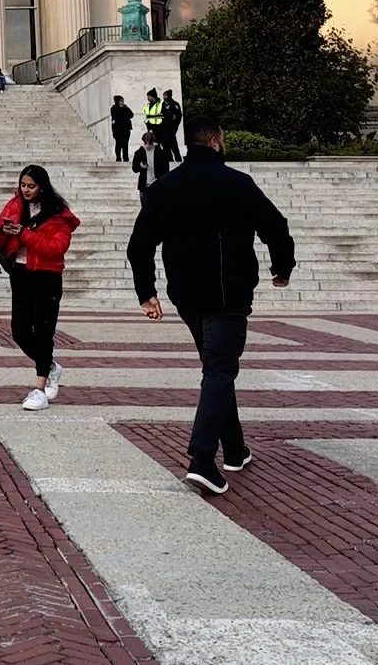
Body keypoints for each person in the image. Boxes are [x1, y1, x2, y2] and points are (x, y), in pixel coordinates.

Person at [128, 114, 295, 496]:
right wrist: (281, 268)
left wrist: (146, 291)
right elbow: (276, 227)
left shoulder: (165, 187)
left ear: (189, 144)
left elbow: (139, 244)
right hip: (228, 292)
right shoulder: (236, 183)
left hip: (186, 293)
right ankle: (202, 458)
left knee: (216, 366)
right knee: (220, 369)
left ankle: (234, 450)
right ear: (217, 141)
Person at [0, 164, 80, 411]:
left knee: (43, 331)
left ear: (42, 187)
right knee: (19, 330)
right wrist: (3, 230)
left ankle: (40, 389)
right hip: (20, 273)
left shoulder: (59, 213)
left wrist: (25, 234)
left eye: (31, 186)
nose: (26, 190)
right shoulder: (15, 205)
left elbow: (56, 248)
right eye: (23, 185)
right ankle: (50, 366)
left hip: (47, 276)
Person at [109, 95, 135, 162]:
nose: (122, 102)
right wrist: (121, 108)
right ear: (117, 101)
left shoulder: (125, 108)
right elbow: (116, 115)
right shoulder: (114, 108)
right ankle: (118, 157)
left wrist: (127, 108)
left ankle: (125, 158)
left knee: (125, 144)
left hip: (126, 129)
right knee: (118, 144)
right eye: (121, 101)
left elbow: (131, 115)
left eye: (123, 101)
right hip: (118, 130)